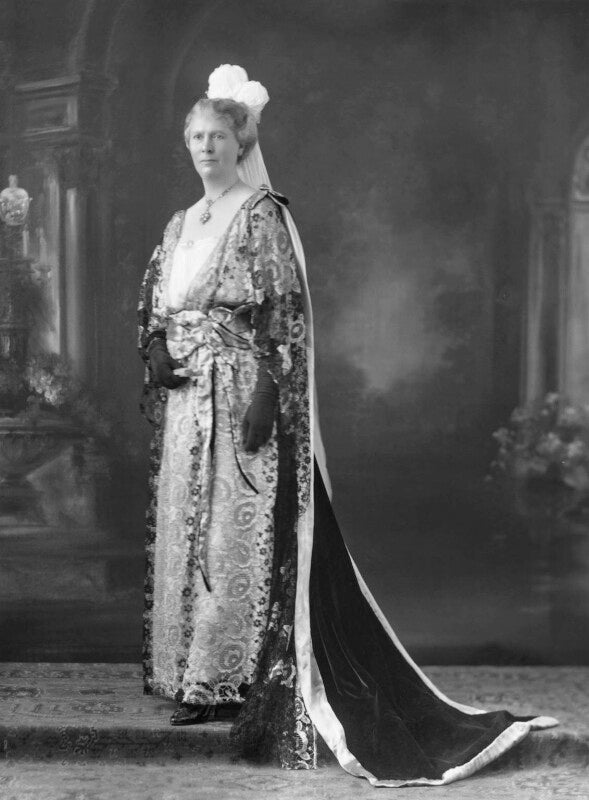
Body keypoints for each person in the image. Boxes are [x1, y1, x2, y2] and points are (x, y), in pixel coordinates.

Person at [138, 64, 557, 787]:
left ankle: (230, 676)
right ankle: (187, 673)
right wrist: (153, 345)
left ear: (241, 144)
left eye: (218, 137)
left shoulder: (259, 214)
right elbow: (156, 296)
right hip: (186, 402)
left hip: (239, 396)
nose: (206, 147)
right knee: (187, 526)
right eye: (196, 137)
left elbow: (283, 312)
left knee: (232, 533)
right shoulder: (181, 222)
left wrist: (266, 393)